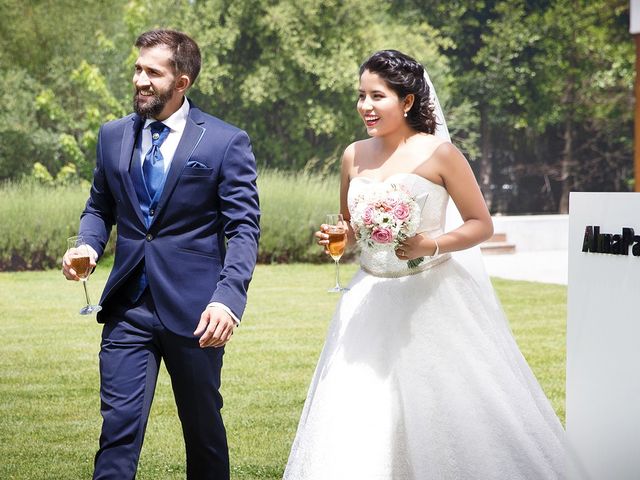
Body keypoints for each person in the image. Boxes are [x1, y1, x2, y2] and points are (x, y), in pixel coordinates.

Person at [283, 50, 566, 479]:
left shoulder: (441, 153)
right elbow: (351, 226)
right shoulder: (353, 156)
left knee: (444, 412)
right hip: (368, 297)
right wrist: (335, 237)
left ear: (408, 101)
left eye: (377, 96)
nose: (365, 106)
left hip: (432, 297)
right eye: (361, 96)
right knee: (359, 410)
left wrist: (428, 243)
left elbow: (480, 224)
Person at [62, 30, 260, 480]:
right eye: (138, 69)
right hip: (127, 308)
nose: (140, 80)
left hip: (198, 313)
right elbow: (99, 206)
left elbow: (243, 229)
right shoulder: (112, 136)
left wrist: (228, 298)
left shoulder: (225, 142)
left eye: (153, 71)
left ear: (182, 82)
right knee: (117, 431)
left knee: (203, 432)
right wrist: (88, 245)